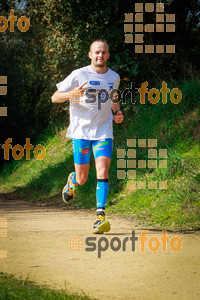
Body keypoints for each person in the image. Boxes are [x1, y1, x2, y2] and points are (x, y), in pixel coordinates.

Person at [51, 39, 123, 234]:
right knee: (82, 178)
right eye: (96, 52)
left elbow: (113, 97)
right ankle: (72, 181)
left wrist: (117, 113)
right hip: (81, 131)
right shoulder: (78, 74)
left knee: (102, 171)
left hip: (103, 131)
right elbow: (55, 97)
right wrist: (70, 94)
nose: (100, 55)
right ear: (90, 55)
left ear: (108, 55)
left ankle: (100, 218)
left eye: (104, 52)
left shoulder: (114, 77)